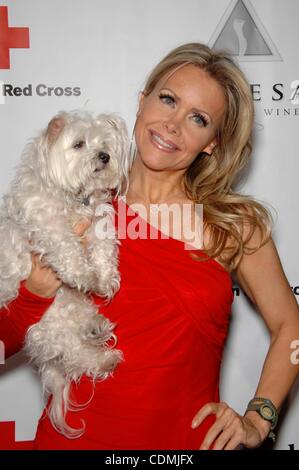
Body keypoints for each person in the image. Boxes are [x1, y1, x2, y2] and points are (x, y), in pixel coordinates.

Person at [1, 42, 299, 450]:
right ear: (142, 102)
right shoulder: (65, 207)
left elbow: (291, 325)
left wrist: (259, 417)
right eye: (167, 99)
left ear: (212, 142)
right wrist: (34, 294)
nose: (173, 124)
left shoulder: (234, 227)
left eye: (198, 118)